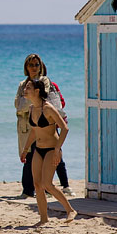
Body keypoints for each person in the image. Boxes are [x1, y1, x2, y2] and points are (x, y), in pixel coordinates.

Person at [14, 53, 75, 198]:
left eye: (36, 64)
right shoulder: (22, 85)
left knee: (54, 154)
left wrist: (28, 99)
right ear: (26, 67)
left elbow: (41, 99)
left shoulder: (44, 81)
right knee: (29, 157)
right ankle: (28, 190)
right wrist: (30, 99)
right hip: (27, 126)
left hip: (46, 125)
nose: (34, 68)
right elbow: (18, 105)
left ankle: (64, 185)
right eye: (31, 65)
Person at [20, 78, 77, 225]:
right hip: (38, 150)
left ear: (37, 91)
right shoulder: (32, 109)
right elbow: (34, 131)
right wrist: (25, 149)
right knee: (37, 185)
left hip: (52, 149)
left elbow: (64, 128)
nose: (25, 90)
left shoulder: (48, 108)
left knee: (47, 184)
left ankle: (70, 210)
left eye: (28, 88)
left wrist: (58, 149)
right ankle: (43, 219)